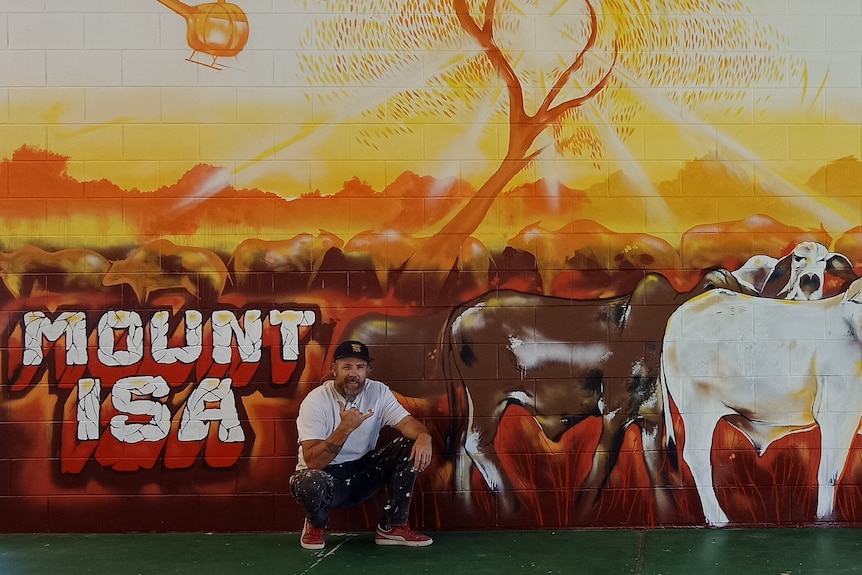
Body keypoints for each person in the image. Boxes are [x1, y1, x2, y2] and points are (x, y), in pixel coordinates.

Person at [289, 339, 434, 549]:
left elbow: (407, 423)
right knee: (309, 480)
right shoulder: (316, 401)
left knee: (408, 444)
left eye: (360, 367)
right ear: (334, 370)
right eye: (346, 367)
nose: (353, 373)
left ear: (367, 370)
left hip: (362, 472)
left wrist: (424, 437)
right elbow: (313, 461)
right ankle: (316, 523)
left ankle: (392, 527)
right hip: (327, 476)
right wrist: (345, 428)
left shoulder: (378, 392)